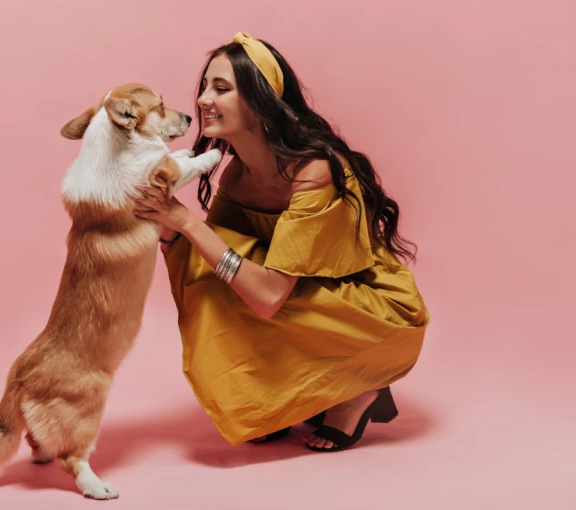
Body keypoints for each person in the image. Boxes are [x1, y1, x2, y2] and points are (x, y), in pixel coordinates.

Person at [134, 32, 430, 452]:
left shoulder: (314, 171)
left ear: (259, 102)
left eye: (221, 88)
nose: (202, 99)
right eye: (204, 86)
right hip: (302, 296)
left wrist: (184, 220)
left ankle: (361, 390)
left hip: (370, 313)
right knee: (210, 271)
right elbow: (206, 260)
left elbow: (269, 297)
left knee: (236, 268)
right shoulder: (238, 174)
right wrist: (161, 217)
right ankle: (278, 397)